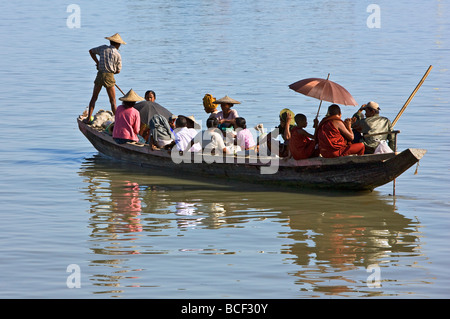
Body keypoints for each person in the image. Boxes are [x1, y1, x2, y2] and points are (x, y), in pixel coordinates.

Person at [85, 33, 126, 124]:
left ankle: (88, 119)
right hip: (109, 77)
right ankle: (118, 123)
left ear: (110, 42)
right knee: (113, 101)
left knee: (94, 98)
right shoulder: (117, 54)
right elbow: (118, 71)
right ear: (118, 44)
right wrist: (112, 72)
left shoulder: (103, 48)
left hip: (100, 75)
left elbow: (91, 51)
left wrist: (98, 62)